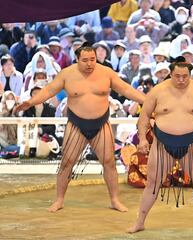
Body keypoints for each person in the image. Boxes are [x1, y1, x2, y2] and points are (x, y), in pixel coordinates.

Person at [15, 42, 145, 213]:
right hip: (76, 124)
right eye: (85, 60)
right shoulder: (67, 74)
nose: (90, 63)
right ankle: (59, 199)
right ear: (77, 59)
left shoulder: (106, 73)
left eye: (93, 59)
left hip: (101, 124)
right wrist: (30, 102)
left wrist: (147, 100)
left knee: (109, 163)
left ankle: (115, 199)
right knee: (67, 162)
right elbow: (48, 91)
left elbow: (127, 89)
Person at [127, 57, 193, 233]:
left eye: (185, 76)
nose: (181, 79)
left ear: (190, 74)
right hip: (162, 145)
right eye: (177, 76)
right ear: (170, 73)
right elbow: (144, 116)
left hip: (191, 145)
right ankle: (140, 222)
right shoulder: (158, 91)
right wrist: (143, 138)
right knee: (152, 184)